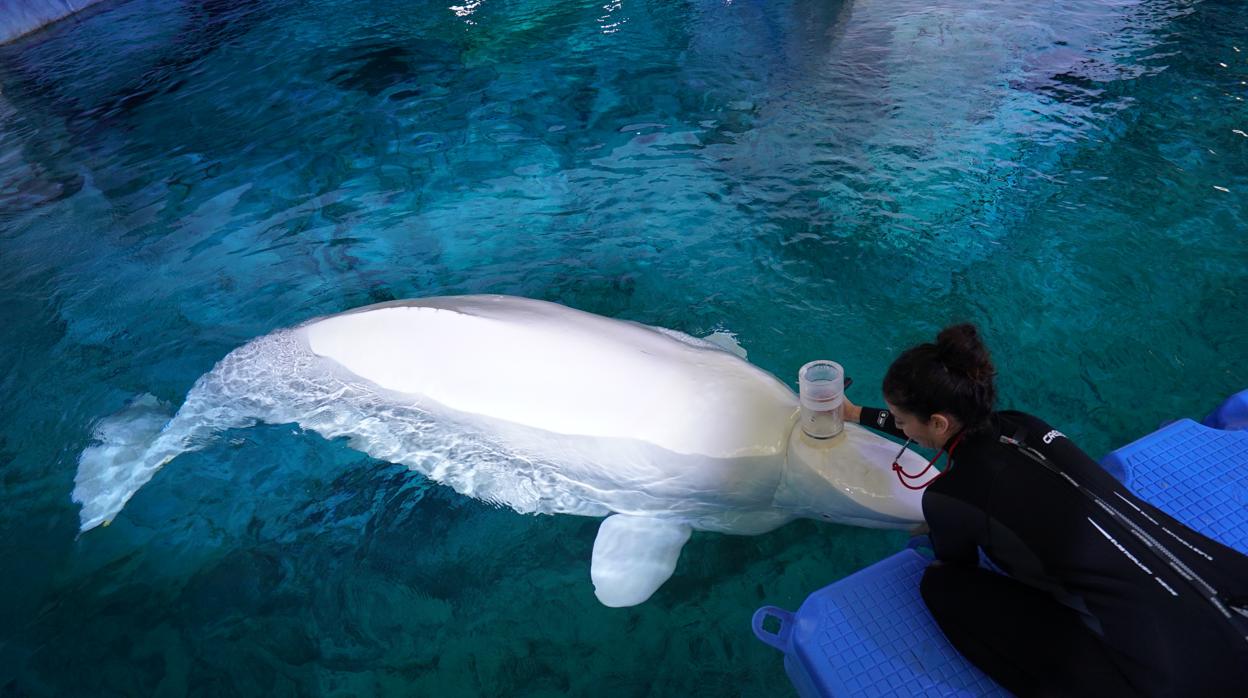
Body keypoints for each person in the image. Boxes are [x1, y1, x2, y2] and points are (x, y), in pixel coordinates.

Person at [842, 323, 1248, 697]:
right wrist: (852, 414)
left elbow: (959, 565)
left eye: (900, 420)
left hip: (1173, 679)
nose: (902, 429)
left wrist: (937, 524)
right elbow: (933, 428)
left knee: (939, 586)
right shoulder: (1024, 424)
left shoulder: (948, 496)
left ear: (937, 422)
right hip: (1226, 588)